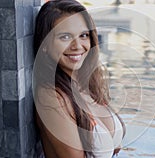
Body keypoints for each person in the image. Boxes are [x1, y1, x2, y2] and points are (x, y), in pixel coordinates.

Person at [32, 0, 126, 157]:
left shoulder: (87, 85)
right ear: (45, 44)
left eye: (83, 35)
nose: (77, 45)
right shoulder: (51, 97)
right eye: (65, 37)